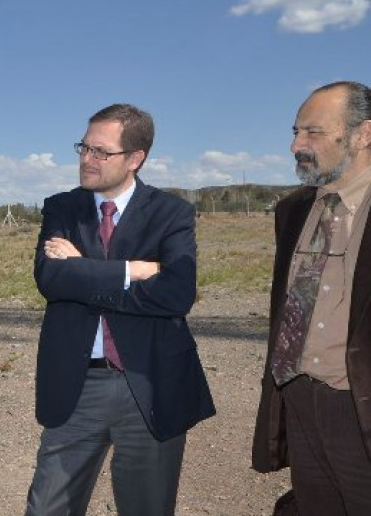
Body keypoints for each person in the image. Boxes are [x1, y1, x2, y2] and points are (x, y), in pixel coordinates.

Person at [25, 103, 216, 515]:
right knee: (47, 508)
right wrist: (132, 271)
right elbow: (50, 280)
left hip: (148, 382)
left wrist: (83, 272)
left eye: (100, 152)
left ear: (135, 159)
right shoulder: (62, 208)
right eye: (83, 148)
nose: (86, 160)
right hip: (77, 388)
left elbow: (176, 294)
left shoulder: (171, 213)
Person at [253, 81, 371, 515]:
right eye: (296, 131)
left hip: (359, 406)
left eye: (313, 132)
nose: (295, 145)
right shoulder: (295, 210)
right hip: (300, 397)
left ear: (363, 135)